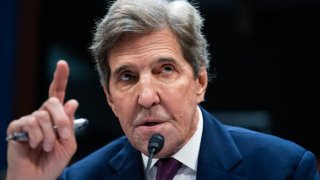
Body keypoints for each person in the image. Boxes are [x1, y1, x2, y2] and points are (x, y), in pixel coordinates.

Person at [6, 0, 319, 179]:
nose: (146, 97)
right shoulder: (80, 177)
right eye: (127, 77)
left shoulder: (283, 169)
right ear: (110, 99)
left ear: (199, 82)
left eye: (165, 70)